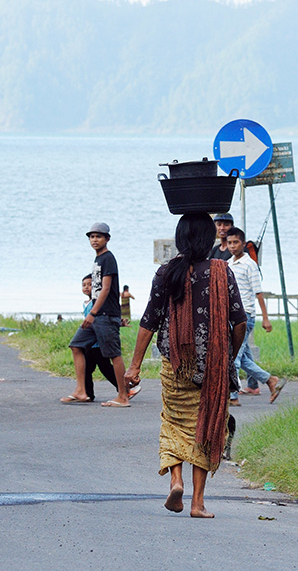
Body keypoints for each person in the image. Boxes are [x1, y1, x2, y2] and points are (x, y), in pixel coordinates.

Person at [125, 212, 246, 518]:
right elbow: (239, 320)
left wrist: (134, 366)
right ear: (209, 240)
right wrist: (227, 354)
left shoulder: (167, 272)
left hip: (175, 364)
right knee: (207, 427)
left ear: (180, 239)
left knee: (173, 422)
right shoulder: (222, 271)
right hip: (213, 368)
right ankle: (197, 503)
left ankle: (176, 481)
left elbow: (149, 320)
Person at [61, 223, 130, 407]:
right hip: (97, 315)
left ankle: (123, 396)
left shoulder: (108, 258)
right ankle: (81, 391)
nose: (94, 240)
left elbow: (105, 289)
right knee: (76, 345)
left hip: (105, 314)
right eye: (92, 237)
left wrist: (92, 312)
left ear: (107, 239)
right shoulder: (97, 260)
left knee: (113, 354)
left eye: (99, 236)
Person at [225, 227, 286, 405]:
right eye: (229, 242)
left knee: (234, 357)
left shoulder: (250, 264)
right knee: (243, 357)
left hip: (245, 316)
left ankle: (233, 396)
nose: (232, 246)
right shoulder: (229, 263)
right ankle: (270, 380)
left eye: (236, 242)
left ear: (243, 244)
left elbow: (258, 293)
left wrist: (265, 318)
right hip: (232, 315)